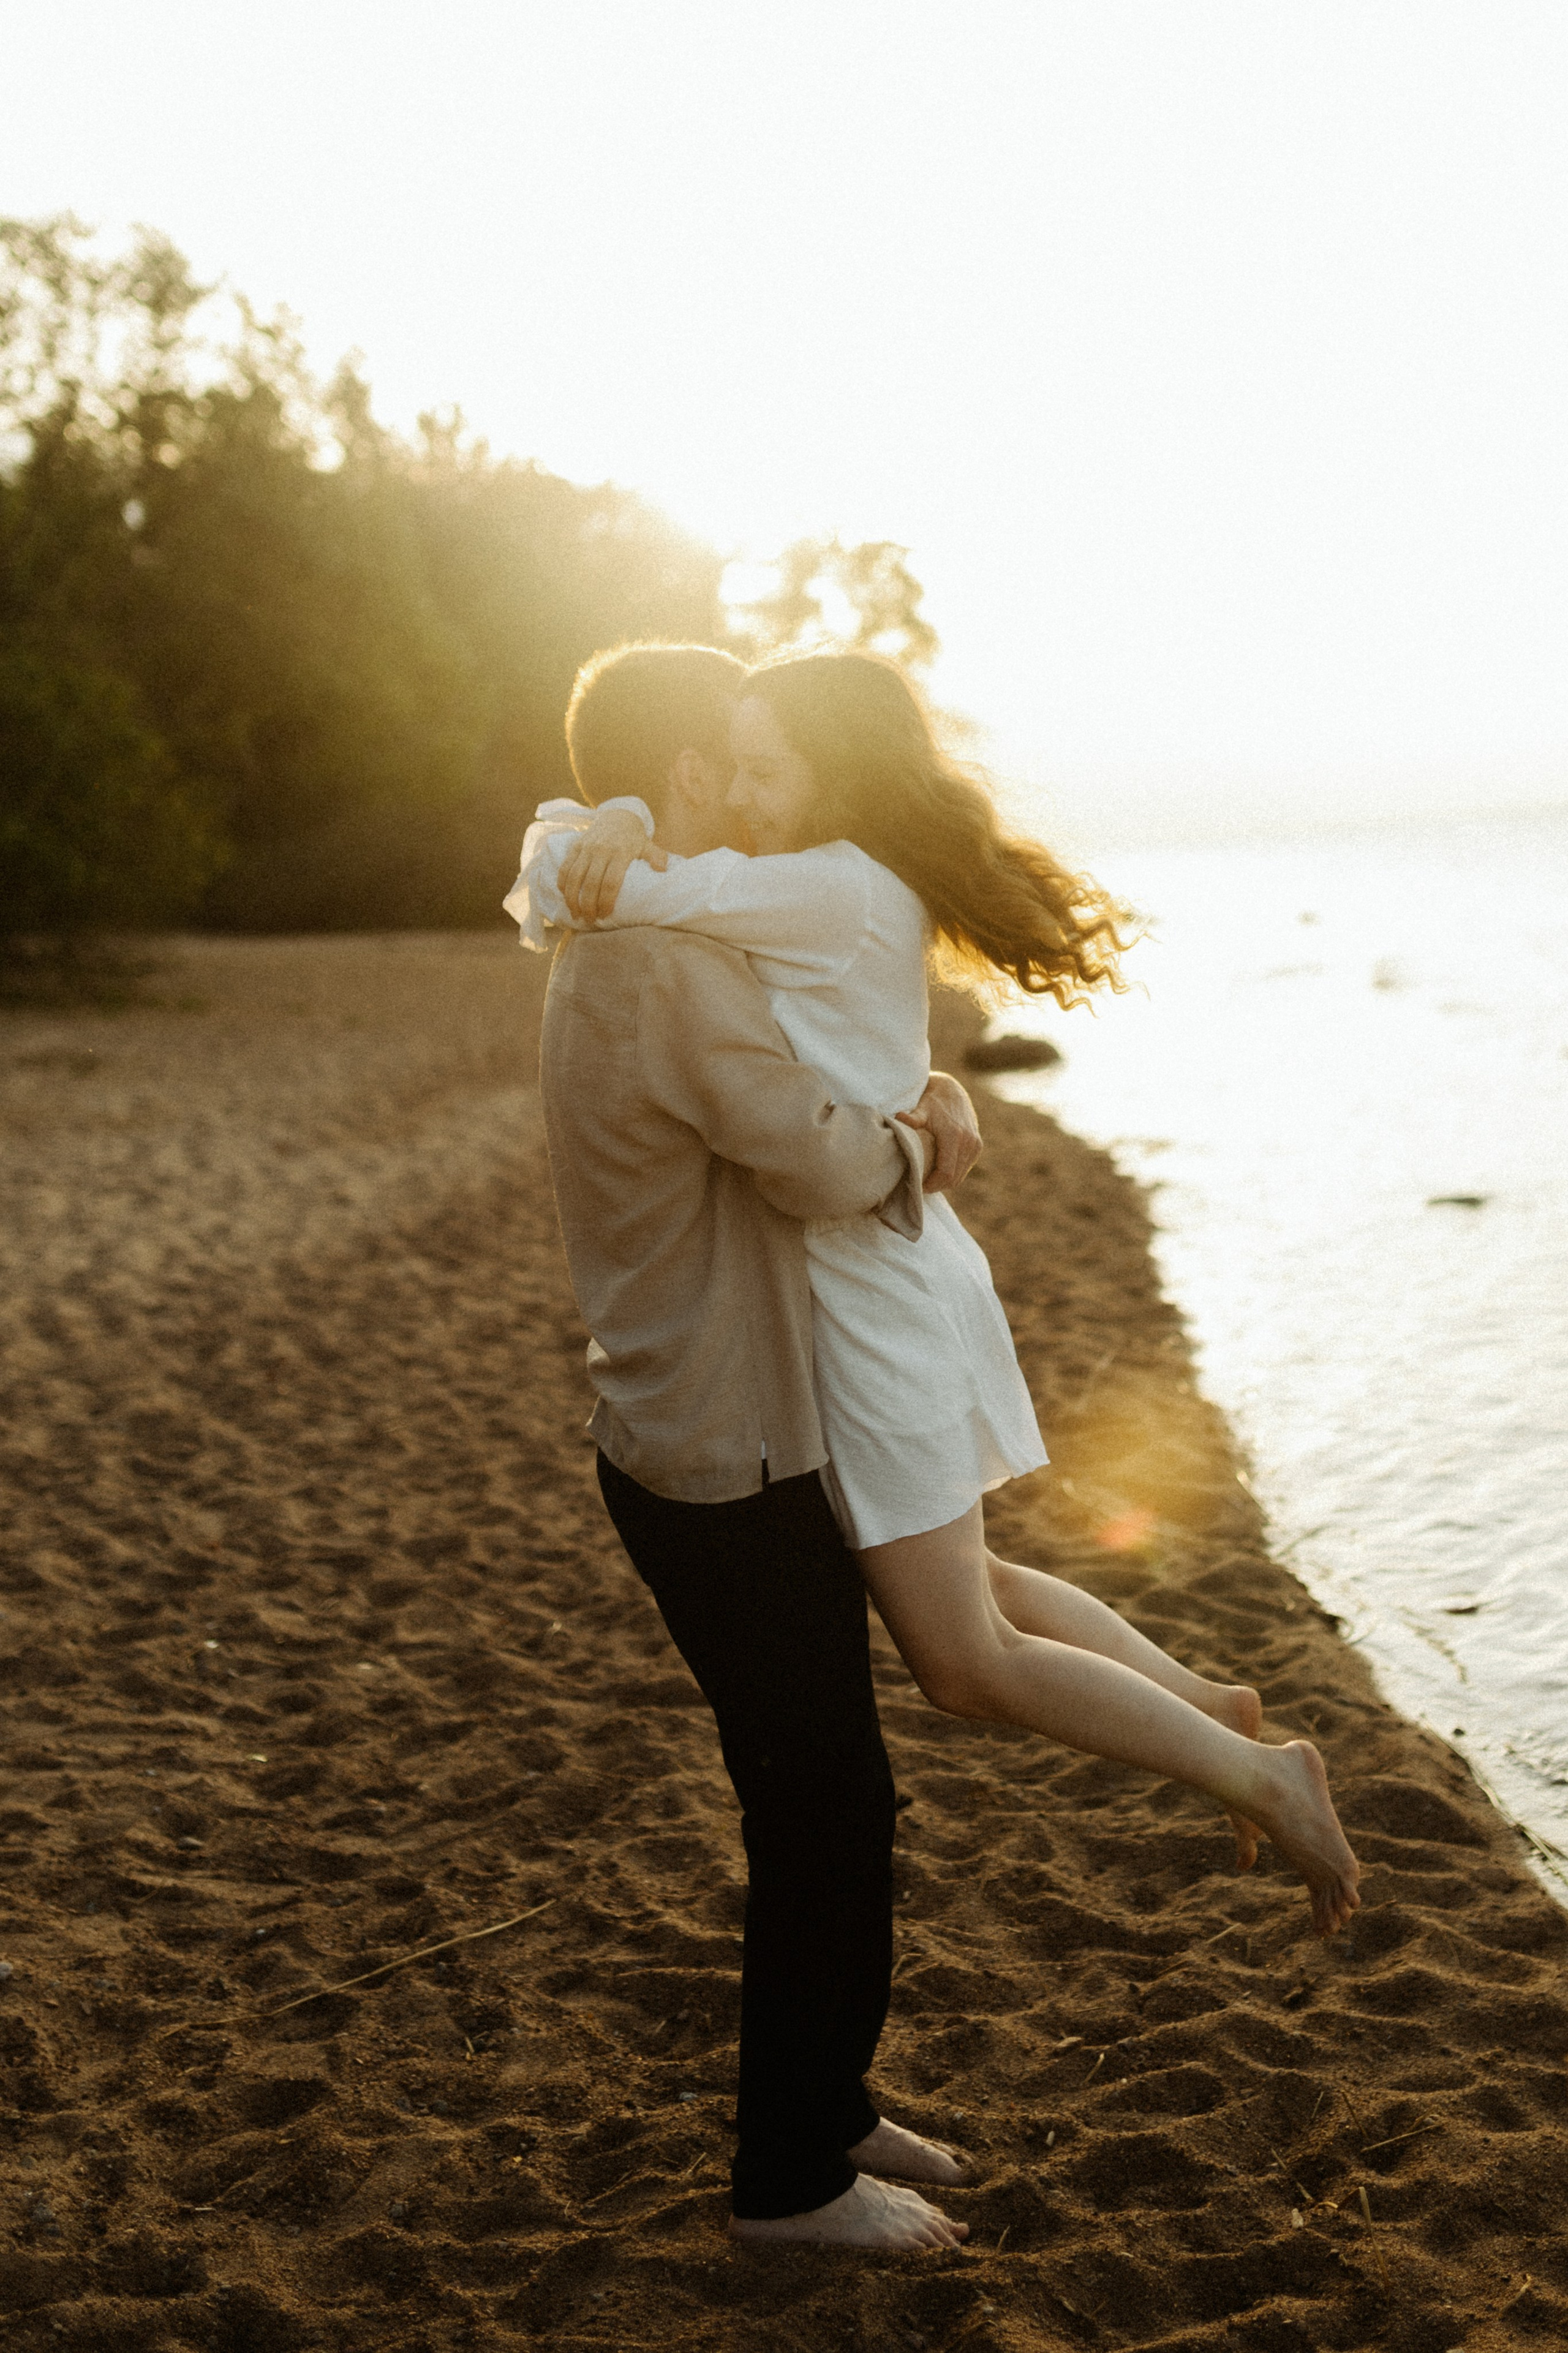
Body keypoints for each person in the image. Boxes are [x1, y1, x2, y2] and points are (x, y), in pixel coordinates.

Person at [515, 647, 1363, 1948]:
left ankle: (1253, 1772)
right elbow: (585, 882)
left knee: (962, 1660)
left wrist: (616, 823)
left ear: (827, 774)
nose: (742, 797)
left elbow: (601, 893)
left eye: (764, 769)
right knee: (960, 1576)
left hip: (871, 1282)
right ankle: (1209, 1702)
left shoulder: (824, 883)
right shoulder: (821, 877)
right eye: (728, 770)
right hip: (869, 1276)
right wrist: (618, 812)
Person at [516, 642, 978, 2251]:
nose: (750, 777)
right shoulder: (671, 965)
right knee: (825, 1809)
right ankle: (790, 2178)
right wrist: (930, 1129)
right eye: (729, 750)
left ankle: (834, 2105)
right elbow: (811, 1163)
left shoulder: (609, 910)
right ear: (679, 778)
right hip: (717, 1453)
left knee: (832, 1795)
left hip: (690, 1423)